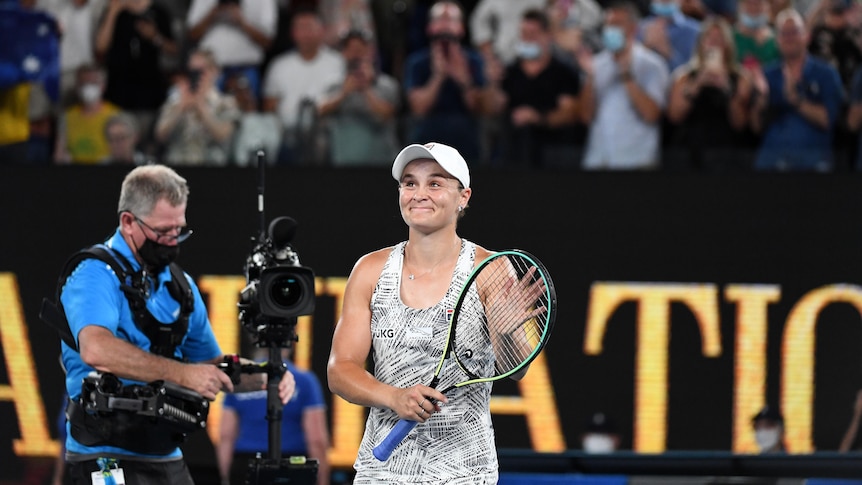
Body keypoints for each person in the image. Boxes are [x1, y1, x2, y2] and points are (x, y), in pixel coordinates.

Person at [56, 164, 295, 484]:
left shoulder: (181, 287)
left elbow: (209, 366)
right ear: (128, 221)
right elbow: (97, 349)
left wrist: (267, 376)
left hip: (166, 458)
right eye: (162, 232)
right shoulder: (93, 274)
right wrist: (184, 374)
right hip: (103, 456)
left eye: (178, 230)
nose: (172, 241)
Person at [327, 141, 536, 483]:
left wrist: (510, 332)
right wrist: (394, 397)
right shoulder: (370, 270)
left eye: (435, 183)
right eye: (410, 183)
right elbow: (340, 371)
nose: (419, 193)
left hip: (464, 473)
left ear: (463, 197)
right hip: (383, 472)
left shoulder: (489, 270)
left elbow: (515, 370)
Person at [218, 348, 330, 485]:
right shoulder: (305, 381)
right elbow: (316, 440)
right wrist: (323, 481)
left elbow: (226, 436)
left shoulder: (239, 379)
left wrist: (225, 478)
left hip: (247, 465)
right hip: (292, 467)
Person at [751, 7, 844, 171]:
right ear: (777, 39)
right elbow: (756, 127)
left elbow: (828, 120)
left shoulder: (826, 73)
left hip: (814, 165)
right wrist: (761, 99)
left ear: (806, 35)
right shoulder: (767, 75)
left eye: (794, 31)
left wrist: (796, 100)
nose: (789, 38)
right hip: (772, 164)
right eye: (783, 33)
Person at [580, 0, 670, 170]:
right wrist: (590, 78)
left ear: (633, 29)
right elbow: (585, 116)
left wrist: (627, 75)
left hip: (637, 161)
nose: (610, 29)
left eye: (617, 24)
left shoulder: (652, 64)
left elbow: (651, 114)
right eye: (608, 24)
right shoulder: (596, 65)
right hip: (600, 161)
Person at [492, 8, 583, 168]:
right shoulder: (510, 72)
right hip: (515, 154)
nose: (527, 39)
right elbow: (494, 106)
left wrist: (538, 117)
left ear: (547, 36)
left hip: (554, 153)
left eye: (533, 34)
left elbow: (570, 113)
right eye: (524, 34)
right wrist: (492, 82)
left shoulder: (563, 72)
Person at [402, 1, 492, 163]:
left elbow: (480, 109)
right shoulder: (417, 62)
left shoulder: (474, 61)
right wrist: (438, 76)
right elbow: (418, 109)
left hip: (466, 143)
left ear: (461, 28)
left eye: (451, 19)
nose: (445, 25)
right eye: (440, 19)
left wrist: (463, 80)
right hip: (427, 142)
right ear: (430, 27)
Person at [666, 16, 756, 171]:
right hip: (690, 154)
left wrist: (727, 88)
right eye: (710, 38)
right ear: (701, 44)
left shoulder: (741, 78)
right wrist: (696, 85)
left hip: (728, 154)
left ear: (727, 45)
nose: (714, 43)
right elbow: (674, 116)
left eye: (719, 39)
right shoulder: (683, 77)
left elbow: (740, 123)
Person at [262, 6, 344, 165]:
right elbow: (269, 106)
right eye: (300, 28)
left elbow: (342, 98)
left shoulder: (337, 63)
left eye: (310, 28)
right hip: (286, 135)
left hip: (325, 132)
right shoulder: (279, 65)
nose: (305, 34)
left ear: (322, 31)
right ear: (293, 33)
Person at [317, 28, 400, 166]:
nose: (355, 54)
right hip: (344, 161)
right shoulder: (334, 84)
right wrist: (344, 93)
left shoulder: (386, 84)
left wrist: (366, 88)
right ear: (343, 53)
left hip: (382, 161)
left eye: (360, 48)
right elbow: (320, 109)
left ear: (371, 52)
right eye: (350, 48)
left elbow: (387, 114)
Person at [154, 49, 240, 166]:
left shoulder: (226, 103)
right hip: (178, 165)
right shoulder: (175, 101)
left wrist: (202, 107)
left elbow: (223, 136)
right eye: (191, 71)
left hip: (212, 167)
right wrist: (180, 108)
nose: (195, 76)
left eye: (200, 71)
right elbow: (160, 135)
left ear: (214, 71)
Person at [186, 0, 278, 97]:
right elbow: (192, 34)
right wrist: (213, 13)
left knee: (246, 110)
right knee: (208, 108)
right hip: (210, 70)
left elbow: (268, 41)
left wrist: (241, 21)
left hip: (245, 68)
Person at [54, 64, 120, 164]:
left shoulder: (115, 115)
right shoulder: (67, 116)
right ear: (77, 86)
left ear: (103, 85)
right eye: (84, 83)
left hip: (106, 172)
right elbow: (59, 153)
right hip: (74, 172)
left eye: (93, 83)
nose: (88, 87)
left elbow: (122, 152)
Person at [637, 0, 702, 72]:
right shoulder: (640, 28)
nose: (665, 1)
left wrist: (668, 53)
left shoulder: (695, 30)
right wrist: (646, 46)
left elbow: (693, 73)